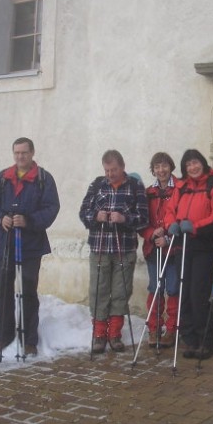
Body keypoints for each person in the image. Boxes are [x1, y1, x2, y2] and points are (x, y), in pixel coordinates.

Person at [0, 137, 60, 357]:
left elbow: (51, 208)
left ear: (32, 153)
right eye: (16, 153)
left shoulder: (44, 179)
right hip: (4, 243)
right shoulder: (3, 178)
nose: (20, 157)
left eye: (24, 153)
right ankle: (4, 334)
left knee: (27, 290)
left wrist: (29, 221)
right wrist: (0, 218)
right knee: (4, 289)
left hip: (31, 244)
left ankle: (29, 338)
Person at [165, 149, 213, 360]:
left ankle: (205, 339)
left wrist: (194, 226)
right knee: (183, 292)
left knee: (198, 293)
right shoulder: (181, 187)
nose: (192, 168)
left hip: (202, 245)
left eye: (195, 163)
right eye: (188, 165)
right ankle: (190, 339)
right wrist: (171, 225)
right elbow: (170, 210)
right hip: (182, 245)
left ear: (202, 163)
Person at [79, 150, 149, 354]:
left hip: (124, 248)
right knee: (98, 290)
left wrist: (125, 218)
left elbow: (144, 218)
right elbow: (83, 213)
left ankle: (115, 334)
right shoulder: (97, 184)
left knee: (121, 291)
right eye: (107, 170)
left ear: (123, 166)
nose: (110, 174)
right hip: (100, 247)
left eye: (114, 169)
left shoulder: (135, 187)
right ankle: (99, 334)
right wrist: (95, 216)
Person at [139, 152, 181, 348]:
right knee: (155, 288)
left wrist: (169, 237)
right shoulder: (148, 193)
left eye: (164, 166)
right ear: (153, 170)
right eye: (157, 167)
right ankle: (154, 327)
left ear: (170, 167)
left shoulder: (181, 189)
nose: (161, 170)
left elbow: (183, 217)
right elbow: (141, 221)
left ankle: (172, 329)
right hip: (153, 248)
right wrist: (151, 234)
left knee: (173, 289)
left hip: (173, 248)